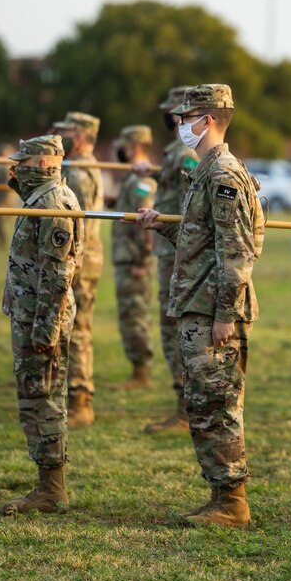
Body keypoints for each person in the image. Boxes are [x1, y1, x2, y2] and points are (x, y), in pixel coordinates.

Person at [135, 84, 264, 528]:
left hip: (213, 311)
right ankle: (220, 496)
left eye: (184, 118)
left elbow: (236, 252)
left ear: (207, 120)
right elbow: (201, 240)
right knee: (205, 404)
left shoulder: (223, 174)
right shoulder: (207, 171)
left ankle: (233, 503)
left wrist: (225, 315)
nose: (178, 125)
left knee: (219, 404)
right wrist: (161, 227)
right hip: (199, 305)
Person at [0, 135, 85, 515]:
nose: (16, 169)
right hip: (32, 315)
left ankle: (52, 490)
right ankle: (47, 484)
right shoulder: (42, 197)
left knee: (45, 398)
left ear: (44, 165)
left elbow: (58, 274)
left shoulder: (53, 203)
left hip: (42, 319)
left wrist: (46, 331)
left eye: (23, 164)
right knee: (35, 397)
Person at [144, 86, 199, 434]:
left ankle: (186, 409)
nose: (170, 118)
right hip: (169, 248)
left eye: (174, 112)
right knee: (170, 329)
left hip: (178, 250)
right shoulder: (177, 152)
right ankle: (183, 404)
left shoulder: (187, 154)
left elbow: (189, 204)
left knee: (177, 329)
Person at [54, 112, 104, 428]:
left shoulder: (82, 172)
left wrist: (74, 262)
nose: (63, 136)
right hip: (83, 257)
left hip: (81, 259)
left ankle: (81, 401)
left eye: (68, 131)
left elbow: (79, 222)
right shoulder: (81, 165)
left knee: (78, 330)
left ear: (82, 135)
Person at [111, 125, 158, 389]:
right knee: (128, 315)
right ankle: (137, 369)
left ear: (135, 147)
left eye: (125, 145)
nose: (121, 150)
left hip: (134, 261)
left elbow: (146, 221)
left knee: (135, 315)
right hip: (125, 258)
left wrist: (142, 260)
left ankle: (142, 372)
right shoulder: (132, 178)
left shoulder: (143, 181)